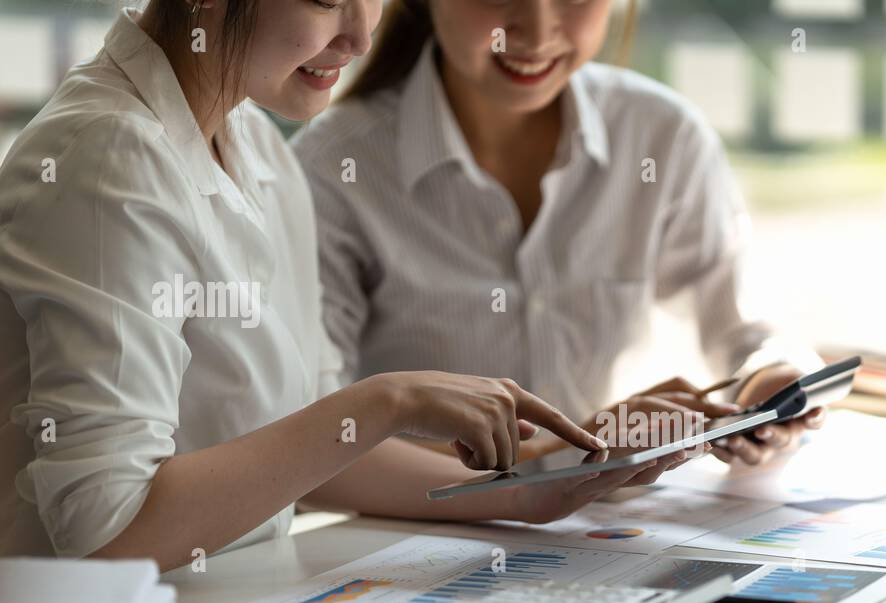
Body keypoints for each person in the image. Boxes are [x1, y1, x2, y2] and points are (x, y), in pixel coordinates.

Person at [0, 0, 692, 570]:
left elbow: (317, 459)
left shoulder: (257, 146)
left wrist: (541, 482)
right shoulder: (106, 159)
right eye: (328, 0)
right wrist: (390, 399)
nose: (362, 37)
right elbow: (107, 530)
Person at [292, 0, 826, 468]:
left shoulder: (662, 138)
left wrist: (770, 380)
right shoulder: (335, 168)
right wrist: (577, 450)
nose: (540, 28)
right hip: (420, 540)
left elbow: (746, 327)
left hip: (618, 534)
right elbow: (315, 433)